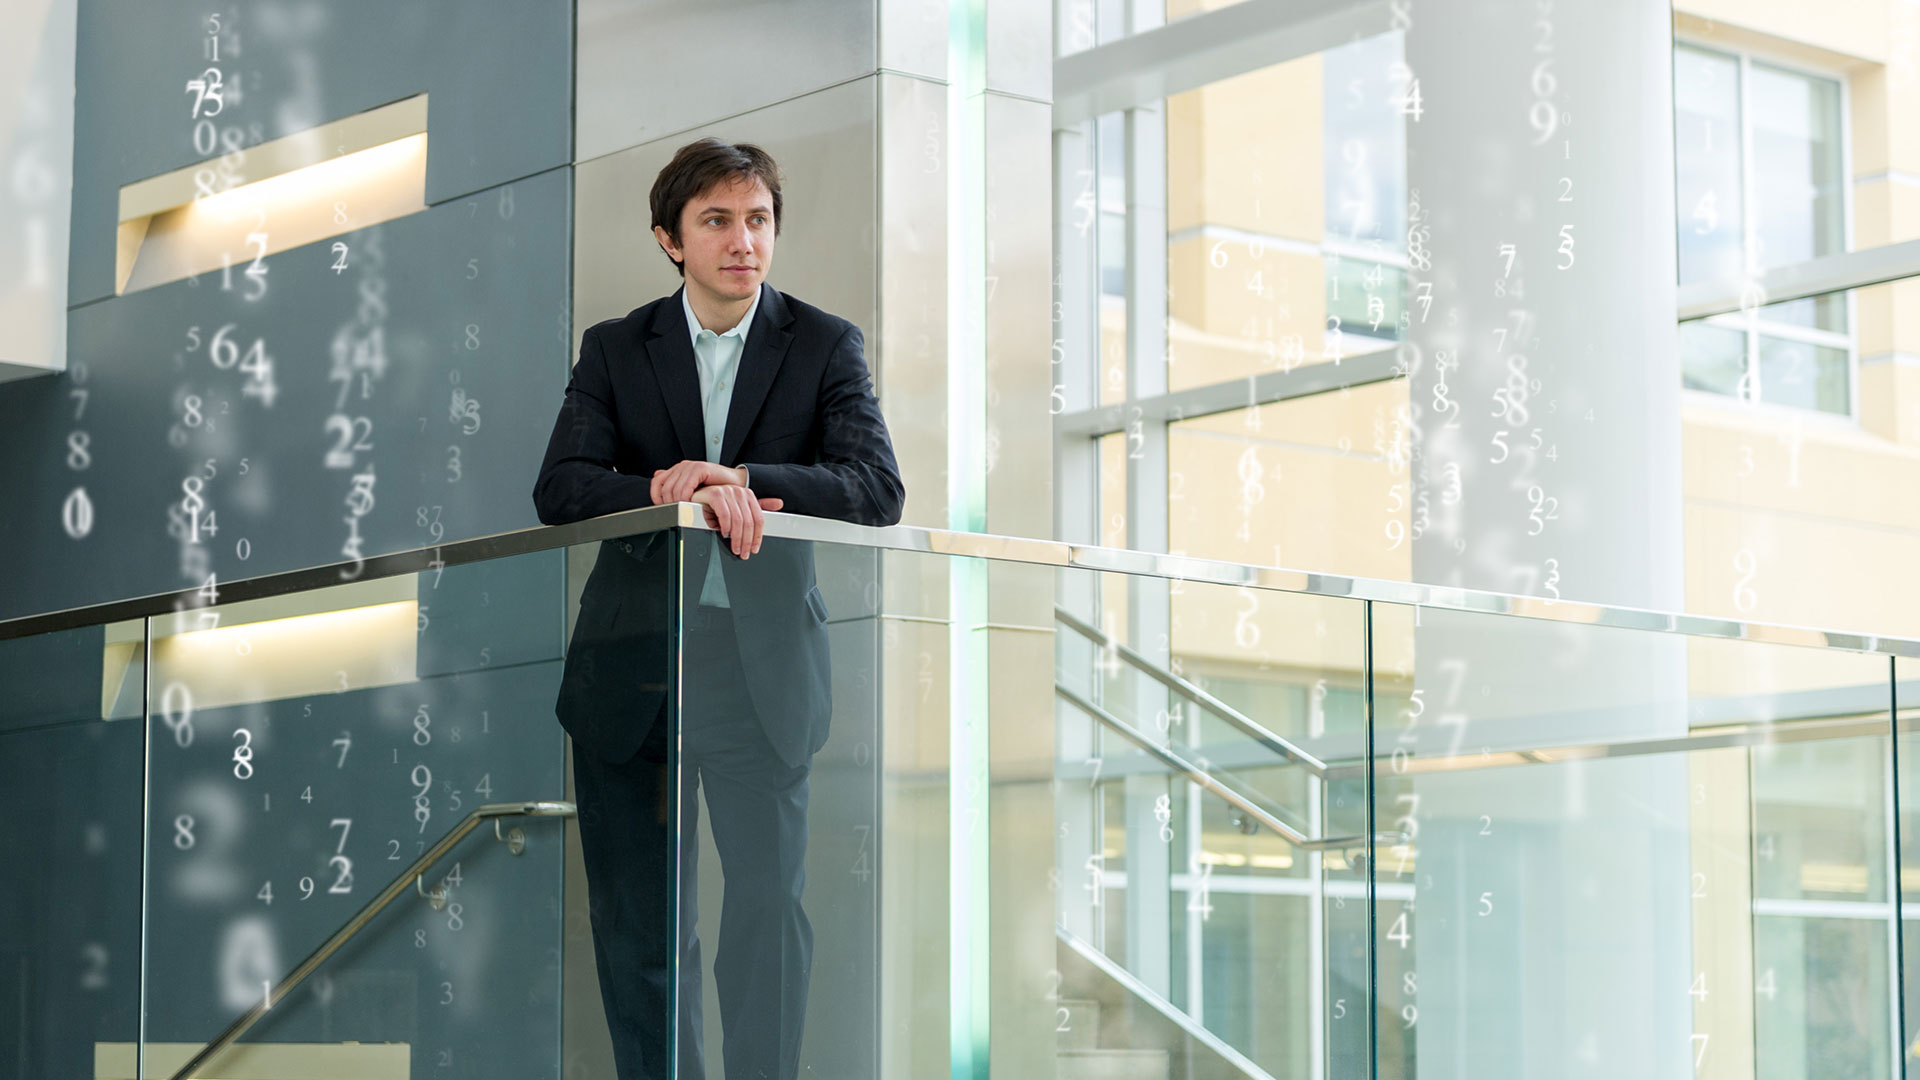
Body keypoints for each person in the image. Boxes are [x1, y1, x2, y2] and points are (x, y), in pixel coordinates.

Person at [531, 137, 904, 1080]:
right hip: (633, 673)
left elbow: (876, 487)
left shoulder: (824, 344)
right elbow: (562, 489)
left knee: (768, 923)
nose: (744, 240)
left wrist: (741, 480)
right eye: (718, 221)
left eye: (758, 219)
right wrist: (677, 495)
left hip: (760, 674)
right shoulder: (616, 349)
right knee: (641, 932)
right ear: (671, 239)